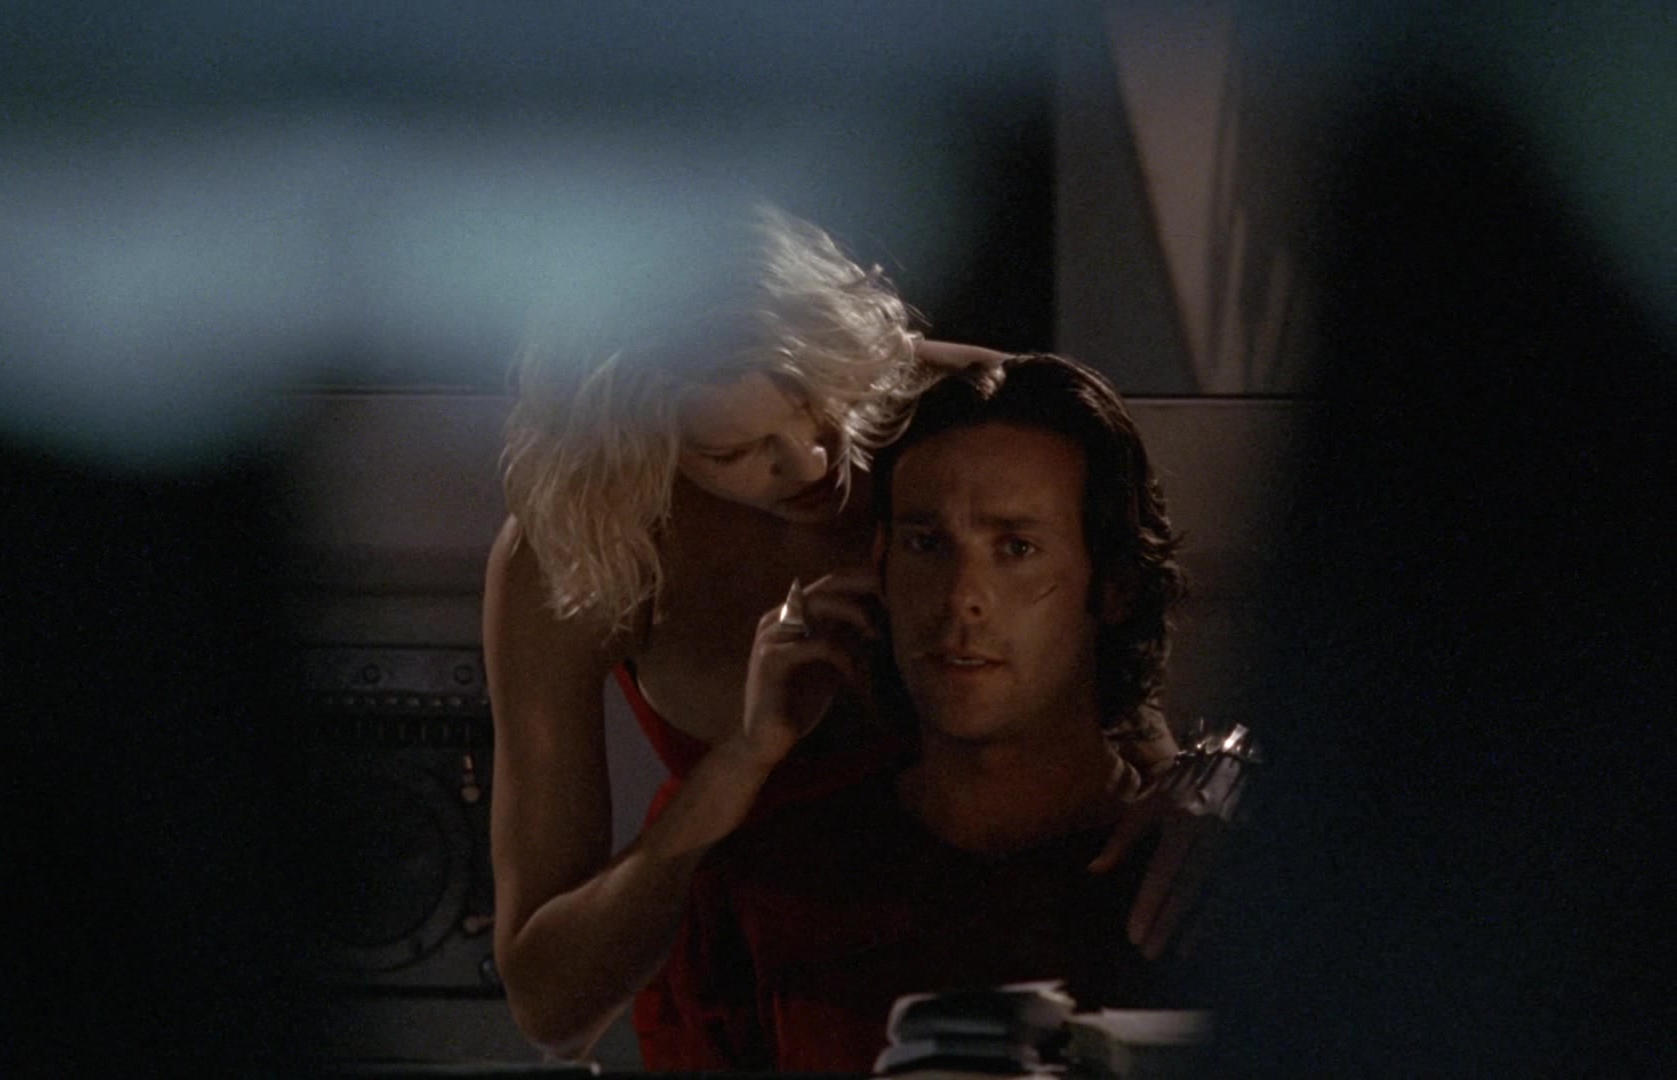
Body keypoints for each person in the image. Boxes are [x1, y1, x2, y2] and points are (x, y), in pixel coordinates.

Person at [482, 208, 1184, 1063]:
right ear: (630, 446)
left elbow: (1124, 702)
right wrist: (741, 760)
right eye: (733, 451)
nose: (811, 462)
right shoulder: (583, 543)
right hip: (758, 967)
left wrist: (1214, 783)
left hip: (1012, 925)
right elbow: (551, 1004)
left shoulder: (962, 412)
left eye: (820, 404)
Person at [650, 353, 1197, 1072]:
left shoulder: (1185, 878)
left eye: (1017, 548)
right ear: (879, 567)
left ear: (1114, 584)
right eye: (927, 544)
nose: (963, 597)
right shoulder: (764, 888)